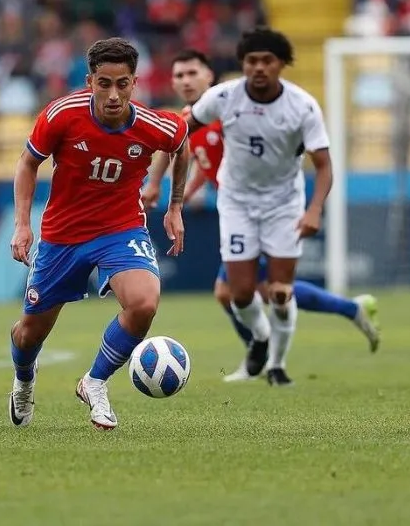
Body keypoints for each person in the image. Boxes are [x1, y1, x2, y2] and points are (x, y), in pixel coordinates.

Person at [143, 49, 380, 383]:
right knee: (258, 290)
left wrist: (160, 185)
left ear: (210, 77)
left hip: (267, 210)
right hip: (239, 209)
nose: (185, 80)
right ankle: (320, 325)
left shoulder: (231, 111)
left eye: (192, 73)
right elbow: (200, 159)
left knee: (253, 290)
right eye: (178, 75)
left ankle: (267, 353)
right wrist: (186, 190)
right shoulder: (194, 118)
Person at [8, 37, 190, 431]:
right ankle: (24, 381)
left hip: (120, 228)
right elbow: (27, 164)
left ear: (134, 83)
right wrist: (22, 224)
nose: (112, 94)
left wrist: (175, 205)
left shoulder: (154, 125)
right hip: (63, 235)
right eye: (103, 83)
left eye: (121, 84)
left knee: (144, 303)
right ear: (90, 81)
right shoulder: (61, 115)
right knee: (29, 333)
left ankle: (94, 382)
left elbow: (181, 142)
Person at [184, 28, 333, 386]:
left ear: (282, 64)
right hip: (236, 201)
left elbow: (325, 165)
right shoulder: (222, 97)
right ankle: (261, 339)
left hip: (283, 204)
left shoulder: (303, 106)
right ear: (243, 64)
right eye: (252, 61)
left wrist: (313, 211)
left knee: (281, 291)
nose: (259, 68)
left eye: (268, 60)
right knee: (240, 295)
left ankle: (277, 366)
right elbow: (181, 132)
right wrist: (160, 181)